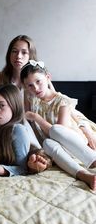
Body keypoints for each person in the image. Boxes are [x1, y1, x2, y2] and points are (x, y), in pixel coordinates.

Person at [20, 60, 96, 190]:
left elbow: (60, 132)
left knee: (55, 130)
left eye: (38, 82)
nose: (36, 88)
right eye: (30, 86)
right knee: (47, 143)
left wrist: (36, 117)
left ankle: (93, 160)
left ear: (48, 77)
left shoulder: (62, 101)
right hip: (59, 150)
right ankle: (84, 175)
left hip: (74, 144)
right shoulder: (32, 99)